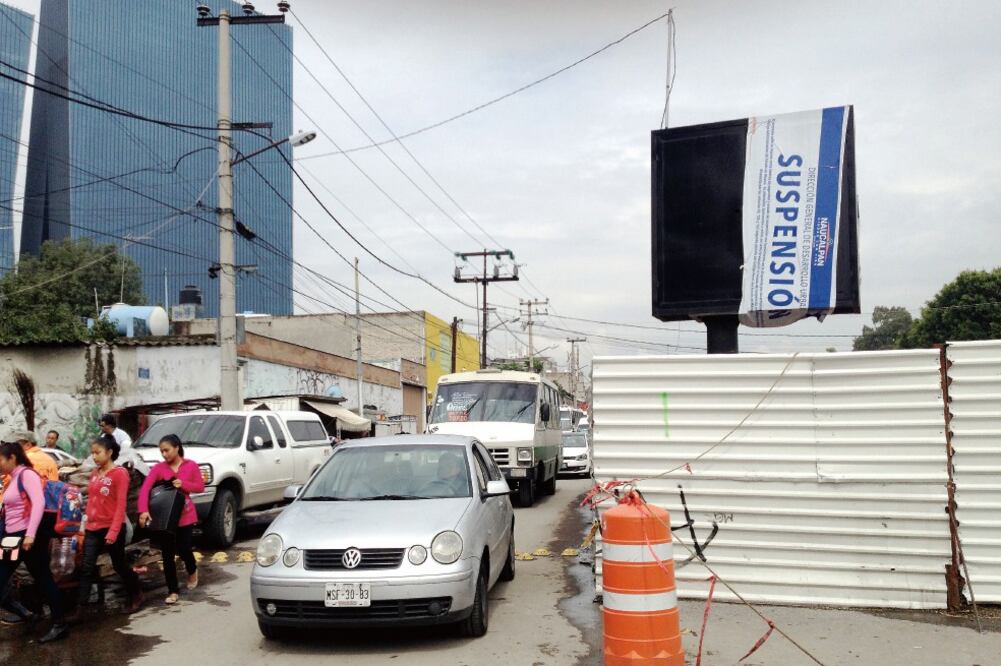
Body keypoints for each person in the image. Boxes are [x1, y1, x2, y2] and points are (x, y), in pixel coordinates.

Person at [0, 440, 68, 642]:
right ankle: (46, 619)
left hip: (24, 537)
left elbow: (38, 503)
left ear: (12, 458)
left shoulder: (27, 474)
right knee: (43, 579)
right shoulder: (13, 477)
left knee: (43, 579)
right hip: (13, 538)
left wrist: (30, 534)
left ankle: (57, 623)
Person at [71, 434, 142, 618]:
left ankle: (135, 593)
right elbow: (93, 500)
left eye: (98, 452)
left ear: (109, 452)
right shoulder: (95, 473)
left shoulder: (120, 474)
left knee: (119, 565)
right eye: (92, 453)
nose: (94, 456)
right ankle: (80, 609)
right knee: (86, 568)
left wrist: (113, 531)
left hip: (112, 527)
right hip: (93, 528)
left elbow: (120, 506)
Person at [138, 434, 204, 605]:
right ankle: (173, 590)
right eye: (162, 452)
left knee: (183, 549)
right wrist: (143, 511)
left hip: (186, 515)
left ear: (177, 447)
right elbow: (145, 489)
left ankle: (192, 569)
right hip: (165, 518)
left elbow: (200, 486)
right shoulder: (159, 468)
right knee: (167, 555)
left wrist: (183, 484)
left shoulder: (191, 466)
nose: (164, 454)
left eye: (167, 450)